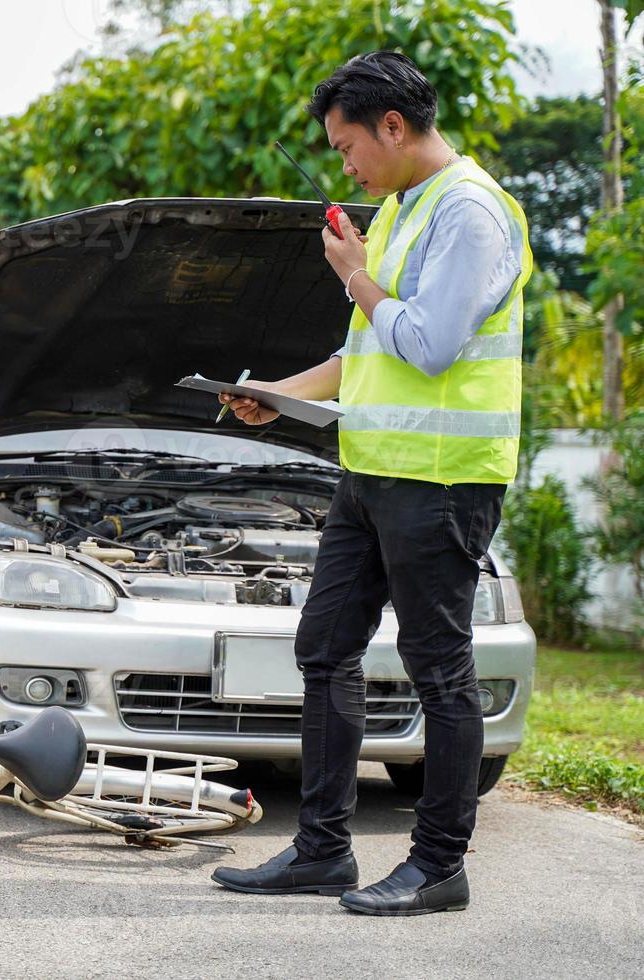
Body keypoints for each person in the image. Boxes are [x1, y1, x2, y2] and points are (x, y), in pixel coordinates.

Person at [210, 51, 531, 916]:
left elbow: (428, 344)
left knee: (438, 670)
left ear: (394, 127)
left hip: (440, 482)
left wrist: (351, 273)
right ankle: (322, 852)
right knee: (324, 648)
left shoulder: (469, 212)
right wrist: (276, 396)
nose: (344, 164)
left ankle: (438, 867)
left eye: (349, 145)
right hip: (370, 473)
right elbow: (367, 350)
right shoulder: (399, 209)